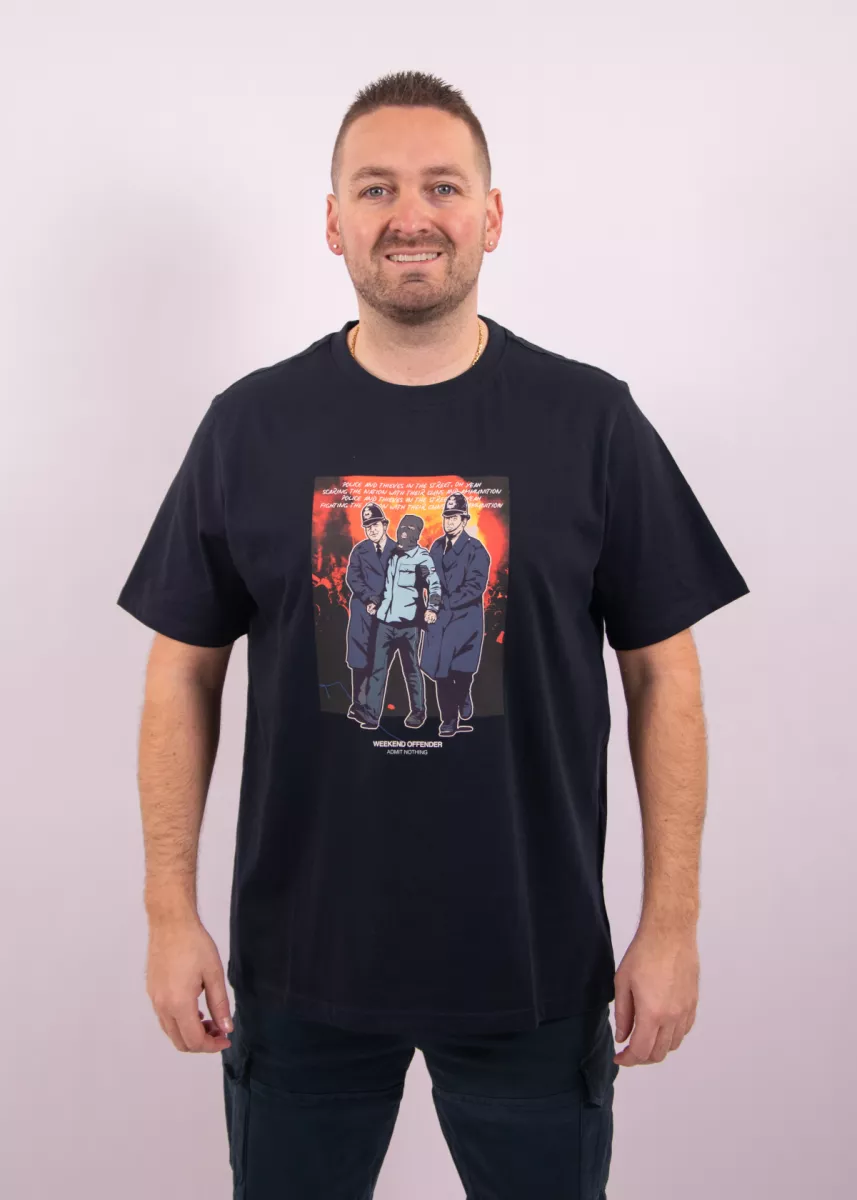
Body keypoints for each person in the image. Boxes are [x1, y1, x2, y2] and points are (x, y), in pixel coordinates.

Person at [117, 70, 750, 1199]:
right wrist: (170, 912)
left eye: (442, 186)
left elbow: (665, 677)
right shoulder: (249, 426)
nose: (410, 214)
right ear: (333, 223)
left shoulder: (590, 421)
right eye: (375, 188)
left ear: (490, 215)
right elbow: (182, 671)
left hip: (530, 969)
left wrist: (671, 924)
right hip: (300, 972)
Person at [356, 511, 441, 731]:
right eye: (401, 528)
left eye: (409, 529)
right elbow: (386, 587)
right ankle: (372, 716)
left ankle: (418, 712)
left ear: (417, 533)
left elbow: (434, 585)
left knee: (412, 670)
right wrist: (375, 603)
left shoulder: (422, 558)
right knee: (377, 670)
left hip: (409, 626)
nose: (403, 533)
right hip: (385, 622)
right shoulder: (393, 555)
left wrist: (432, 608)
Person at [420, 490, 491, 736]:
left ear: (464, 520)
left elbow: (476, 586)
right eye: (446, 516)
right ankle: (448, 719)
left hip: (464, 620)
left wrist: (447, 602)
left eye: (454, 517)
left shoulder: (476, 550)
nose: (449, 521)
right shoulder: (436, 546)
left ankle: (462, 697)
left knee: (461, 671)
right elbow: (429, 577)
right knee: (440, 672)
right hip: (440, 619)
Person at [343, 502, 395, 720]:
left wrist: (380, 601)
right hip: (363, 613)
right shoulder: (359, 550)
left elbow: (399, 581)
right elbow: (353, 577)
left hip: (387, 614)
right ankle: (358, 705)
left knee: (379, 663)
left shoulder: (398, 550)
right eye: (368, 526)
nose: (372, 529)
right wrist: (369, 598)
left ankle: (372, 709)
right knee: (359, 660)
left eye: (375, 524)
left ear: (385, 525)